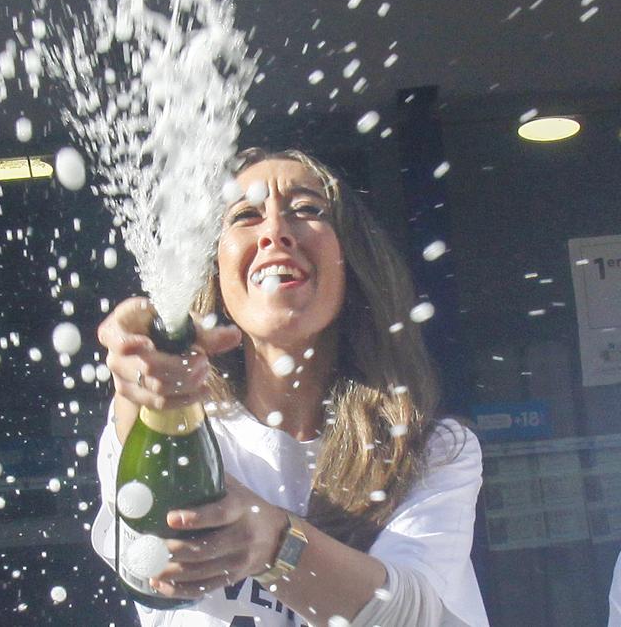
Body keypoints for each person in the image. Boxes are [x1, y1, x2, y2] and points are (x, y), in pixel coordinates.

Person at [93, 148, 488, 626]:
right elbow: (141, 556)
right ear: (215, 273)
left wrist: (275, 543)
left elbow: (410, 617)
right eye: (245, 215)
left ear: (350, 258)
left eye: (306, 209)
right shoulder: (183, 433)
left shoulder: (432, 449)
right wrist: (139, 386)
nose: (274, 232)